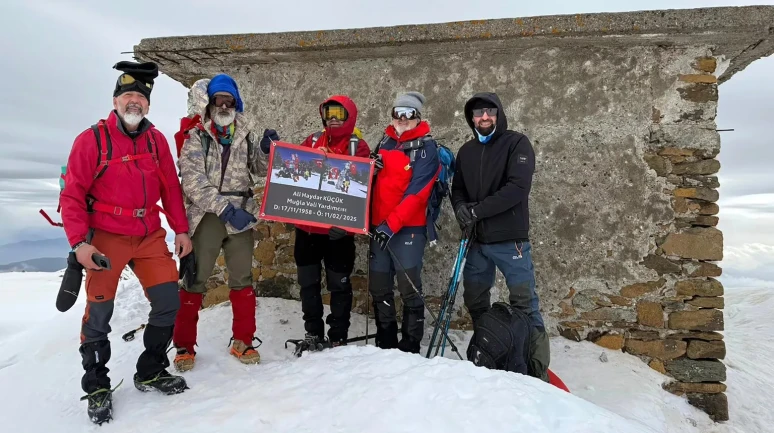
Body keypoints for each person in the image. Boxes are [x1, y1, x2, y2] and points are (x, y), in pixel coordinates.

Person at [60, 61, 193, 425]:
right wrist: (79, 244)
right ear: (115, 101)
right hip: (106, 235)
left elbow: (171, 189)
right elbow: (72, 196)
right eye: (128, 95)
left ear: (148, 104)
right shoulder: (92, 140)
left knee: (168, 301)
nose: (134, 101)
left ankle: (150, 370)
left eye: (141, 97)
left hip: (148, 233)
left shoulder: (156, 141)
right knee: (100, 311)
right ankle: (97, 385)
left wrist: (181, 230)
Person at [173, 74, 275, 371]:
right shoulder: (196, 136)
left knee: (242, 279)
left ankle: (243, 341)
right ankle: (184, 345)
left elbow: (257, 169)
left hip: (241, 215)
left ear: (236, 103)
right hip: (208, 215)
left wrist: (266, 150)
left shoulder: (245, 134)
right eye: (219, 100)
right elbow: (192, 181)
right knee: (195, 279)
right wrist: (225, 209)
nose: (224, 105)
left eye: (229, 100)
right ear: (210, 103)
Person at [451, 92, 550, 381]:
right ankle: (492, 352)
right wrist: (460, 208)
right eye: (478, 113)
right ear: (471, 118)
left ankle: (535, 370)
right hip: (476, 241)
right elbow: (458, 189)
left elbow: (517, 187)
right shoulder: (466, 151)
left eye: (490, 112)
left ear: (499, 114)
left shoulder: (516, 144)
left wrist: (477, 211)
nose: (484, 117)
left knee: (524, 302)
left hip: (509, 240)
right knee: (475, 299)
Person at [278, 96, 370, 352]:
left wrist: (348, 227)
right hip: (308, 229)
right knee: (308, 283)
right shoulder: (313, 140)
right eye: (329, 113)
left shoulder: (358, 147)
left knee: (339, 284)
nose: (333, 119)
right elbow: (295, 170)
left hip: (337, 232)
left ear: (349, 117)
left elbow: (363, 187)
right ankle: (313, 332)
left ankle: (338, 335)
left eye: (339, 114)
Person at [369, 91, 440, 353]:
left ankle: (410, 344)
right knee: (379, 287)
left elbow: (417, 194)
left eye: (408, 114)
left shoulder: (426, 148)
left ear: (418, 117)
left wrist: (390, 226)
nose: (402, 118)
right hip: (379, 228)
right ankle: (385, 339)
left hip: (408, 229)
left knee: (409, 287)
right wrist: (371, 168)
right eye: (397, 113)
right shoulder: (385, 142)